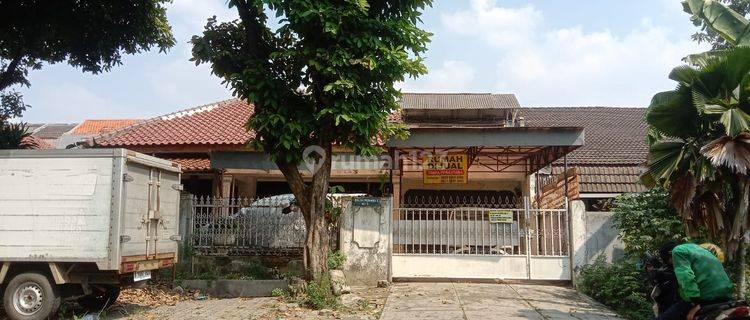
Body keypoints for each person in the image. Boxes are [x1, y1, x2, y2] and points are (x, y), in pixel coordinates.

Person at [655, 241, 734, 320]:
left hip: (706, 298)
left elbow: (686, 277)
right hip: (726, 295)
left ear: (669, 255)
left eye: (669, 262)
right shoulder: (701, 249)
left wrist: (693, 302)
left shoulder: (677, 251)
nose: (672, 265)